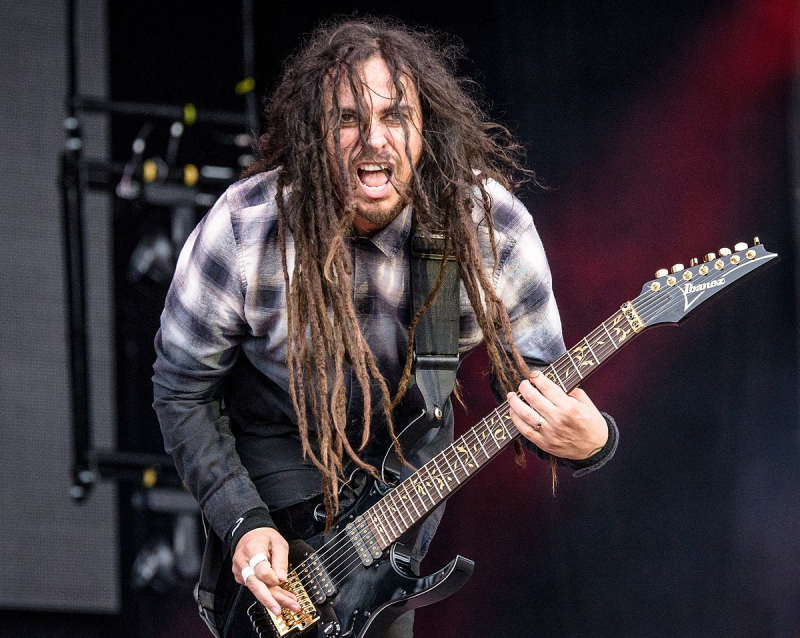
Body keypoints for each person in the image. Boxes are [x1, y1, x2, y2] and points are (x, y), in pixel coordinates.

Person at [152, 17, 617, 637]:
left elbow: (538, 399)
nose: (374, 140)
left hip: (392, 529)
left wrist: (592, 441)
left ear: (426, 126)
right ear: (315, 131)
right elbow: (181, 388)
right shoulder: (247, 226)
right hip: (274, 498)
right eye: (348, 119)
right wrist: (242, 519)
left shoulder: (489, 229)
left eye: (396, 115)